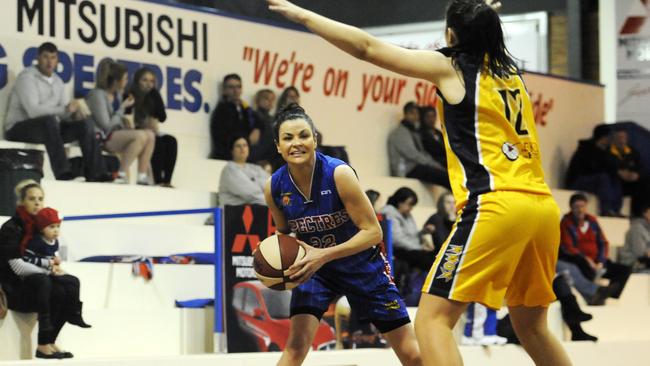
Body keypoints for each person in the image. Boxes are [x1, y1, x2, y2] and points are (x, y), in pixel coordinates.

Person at [267, 1, 573, 365]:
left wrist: (302, 15)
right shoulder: (510, 74)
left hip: (497, 204)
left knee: (432, 321)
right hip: (542, 208)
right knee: (532, 326)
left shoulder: (452, 68)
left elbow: (367, 48)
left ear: (451, 35)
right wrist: (480, 15)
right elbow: (479, 31)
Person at [264, 104, 421, 366]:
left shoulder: (339, 174)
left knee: (411, 353)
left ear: (315, 139)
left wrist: (322, 255)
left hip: (362, 266)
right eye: (288, 138)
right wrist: (268, 253)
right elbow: (283, 234)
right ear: (278, 146)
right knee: (296, 347)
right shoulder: (274, 187)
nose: (296, 143)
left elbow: (373, 232)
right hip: (316, 272)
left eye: (303, 135)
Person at [0, 180, 87, 359]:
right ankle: (42, 343)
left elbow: (50, 256)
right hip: (14, 288)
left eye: (40, 199)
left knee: (69, 284)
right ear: (22, 202)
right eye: (32, 199)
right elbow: (15, 266)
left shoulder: (42, 226)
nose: (37, 203)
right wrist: (48, 270)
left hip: (37, 283)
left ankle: (54, 336)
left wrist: (56, 269)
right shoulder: (11, 227)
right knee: (45, 281)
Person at [4, 42, 109, 182]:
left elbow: (63, 113)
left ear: (57, 60)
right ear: (38, 58)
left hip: (48, 129)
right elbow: (33, 111)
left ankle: (96, 173)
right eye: (45, 57)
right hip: (18, 128)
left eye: (53, 57)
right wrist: (64, 109)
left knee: (84, 124)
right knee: (49, 121)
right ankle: (63, 172)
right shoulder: (27, 77)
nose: (49, 62)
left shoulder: (58, 82)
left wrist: (73, 114)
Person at [87, 60, 155, 185]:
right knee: (140, 136)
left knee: (150, 135)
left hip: (115, 134)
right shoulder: (96, 95)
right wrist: (122, 108)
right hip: (101, 137)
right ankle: (121, 173)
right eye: (125, 78)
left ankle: (142, 175)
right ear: (116, 80)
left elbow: (117, 121)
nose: (126, 81)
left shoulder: (118, 95)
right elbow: (106, 125)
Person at [559, 193, 631, 301]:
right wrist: (587, 260)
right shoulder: (566, 223)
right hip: (580, 260)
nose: (580, 210)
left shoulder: (592, 221)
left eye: (582, 206)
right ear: (571, 208)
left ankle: (610, 296)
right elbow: (568, 247)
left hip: (597, 261)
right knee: (584, 265)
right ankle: (594, 295)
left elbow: (603, 242)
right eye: (576, 207)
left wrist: (601, 261)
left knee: (624, 270)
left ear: (586, 206)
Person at [128, 67, 178, 187]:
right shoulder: (131, 96)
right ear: (137, 81)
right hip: (136, 130)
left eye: (151, 81)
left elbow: (162, 117)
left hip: (152, 130)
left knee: (171, 140)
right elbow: (129, 118)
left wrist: (156, 95)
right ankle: (158, 179)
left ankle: (167, 180)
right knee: (157, 141)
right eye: (144, 80)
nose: (148, 84)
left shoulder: (153, 96)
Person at [387, 102, 450, 188]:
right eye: (412, 113)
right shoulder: (400, 133)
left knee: (448, 175)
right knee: (445, 176)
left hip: (415, 167)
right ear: (406, 114)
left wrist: (435, 165)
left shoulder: (413, 131)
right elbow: (414, 155)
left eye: (417, 113)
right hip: (407, 170)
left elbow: (422, 153)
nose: (416, 116)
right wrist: (434, 165)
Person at [566, 124, 622, 216]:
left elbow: (612, 168)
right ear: (603, 137)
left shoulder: (607, 152)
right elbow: (587, 169)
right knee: (603, 178)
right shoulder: (585, 149)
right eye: (610, 137)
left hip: (593, 181)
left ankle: (615, 210)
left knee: (615, 179)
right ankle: (606, 210)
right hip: (577, 180)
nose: (611, 140)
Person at [380, 187, 435, 272]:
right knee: (428, 260)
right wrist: (420, 248)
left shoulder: (407, 214)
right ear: (400, 202)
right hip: (398, 250)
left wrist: (423, 232)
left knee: (436, 255)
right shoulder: (389, 213)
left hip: (411, 249)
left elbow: (412, 235)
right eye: (409, 204)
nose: (411, 208)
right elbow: (397, 240)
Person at [210, 74, 259, 160]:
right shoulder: (222, 110)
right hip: (228, 158)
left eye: (238, 87)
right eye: (231, 87)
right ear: (224, 90)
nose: (235, 91)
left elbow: (258, 121)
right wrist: (247, 139)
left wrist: (257, 129)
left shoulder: (244, 108)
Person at [218, 135, 269, 206]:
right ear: (232, 151)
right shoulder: (229, 169)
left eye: (245, 145)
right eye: (238, 146)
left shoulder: (256, 168)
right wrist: (270, 200)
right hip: (232, 214)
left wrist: (254, 182)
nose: (242, 148)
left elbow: (271, 186)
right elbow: (250, 193)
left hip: (258, 210)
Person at [424, 193, 456, 259]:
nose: (452, 206)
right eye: (448, 202)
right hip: (439, 255)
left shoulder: (461, 218)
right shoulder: (436, 218)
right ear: (441, 204)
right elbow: (424, 232)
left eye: (454, 203)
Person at [619, 205, 650, 270]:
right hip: (632, 263)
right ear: (645, 213)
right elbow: (640, 253)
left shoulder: (647, 228)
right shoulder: (637, 228)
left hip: (643, 263)